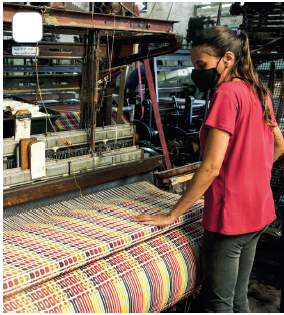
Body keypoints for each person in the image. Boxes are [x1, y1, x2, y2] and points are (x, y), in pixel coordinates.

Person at [133, 25, 284, 312]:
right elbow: (279, 144)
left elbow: (211, 167)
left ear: (227, 59)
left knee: (218, 303)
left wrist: (171, 215)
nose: (197, 71)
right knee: (239, 298)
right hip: (259, 211)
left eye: (201, 65)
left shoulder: (227, 93)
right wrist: (251, 173)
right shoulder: (259, 91)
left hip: (230, 218)